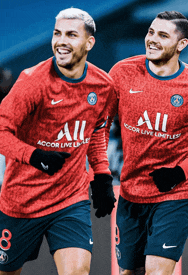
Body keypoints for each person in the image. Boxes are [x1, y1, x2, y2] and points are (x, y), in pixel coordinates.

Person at [0, 7, 116, 275]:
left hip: (70, 199)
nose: (61, 41)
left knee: (77, 271)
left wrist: (101, 175)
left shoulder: (103, 85)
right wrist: (34, 156)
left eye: (71, 35)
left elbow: (97, 130)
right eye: (57, 33)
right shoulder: (32, 82)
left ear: (89, 43)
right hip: (22, 202)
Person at [107, 11, 188, 275]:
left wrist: (180, 172)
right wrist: (100, 171)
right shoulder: (122, 73)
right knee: (128, 272)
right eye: (151, 32)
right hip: (132, 191)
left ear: (182, 45)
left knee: (157, 271)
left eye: (163, 35)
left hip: (176, 193)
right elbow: (101, 124)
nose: (153, 40)